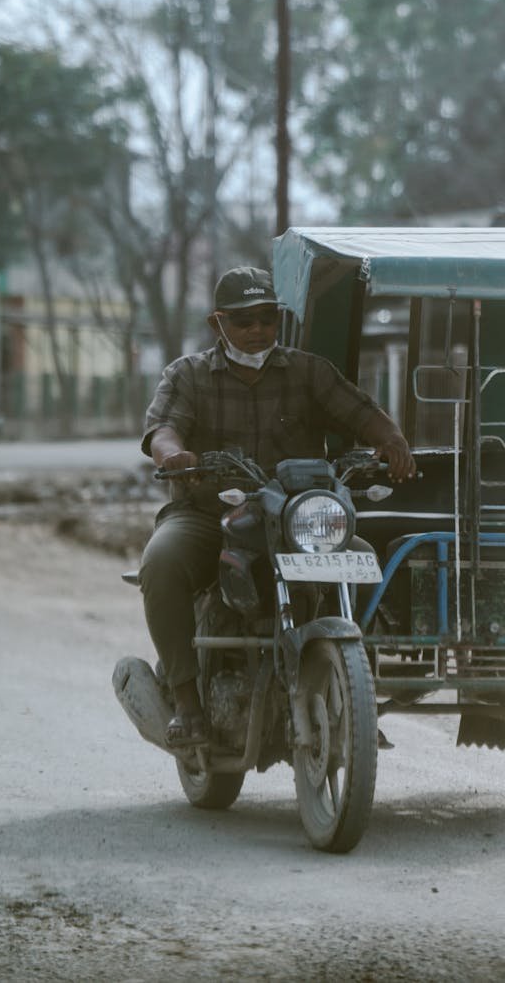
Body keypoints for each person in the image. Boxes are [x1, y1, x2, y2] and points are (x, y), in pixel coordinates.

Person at [139, 265, 416, 748]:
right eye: (243, 320)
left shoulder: (308, 372)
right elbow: (162, 429)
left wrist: (392, 441)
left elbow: (361, 412)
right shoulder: (189, 375)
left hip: (298, 518)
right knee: (161, 561)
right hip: (210, 515)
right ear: (217, 324)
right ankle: (186, 704)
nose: (256, 330)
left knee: (365, 559)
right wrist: (173, 454)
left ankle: (355, 691)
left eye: (267, 318)